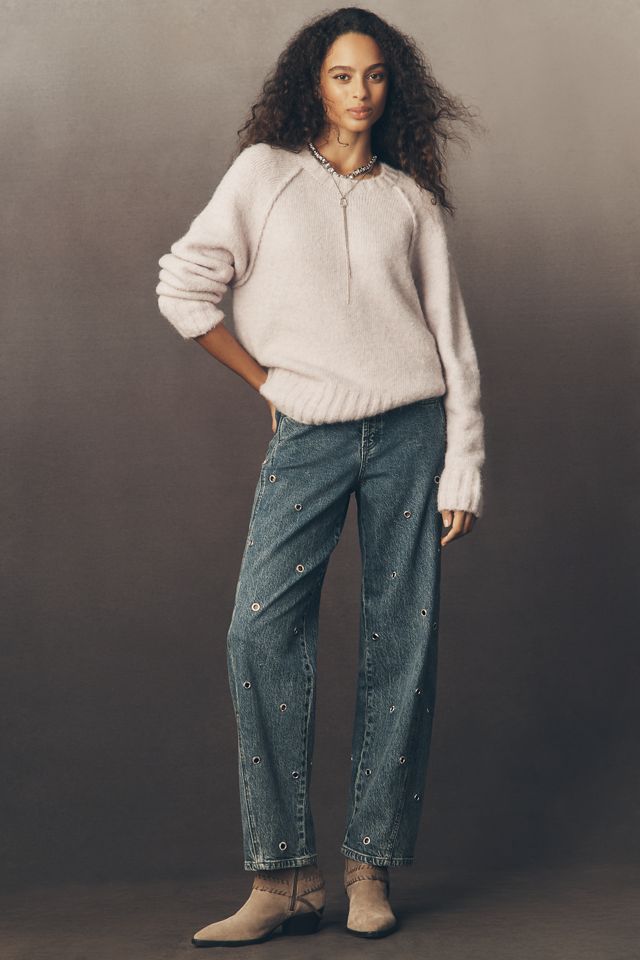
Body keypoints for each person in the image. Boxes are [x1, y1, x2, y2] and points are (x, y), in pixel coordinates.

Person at [156, 6, 485, 947]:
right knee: (259, 631)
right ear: (314, 83)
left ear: (393, 86)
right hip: (311, 434)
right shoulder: (263, 175)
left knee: (400, 639)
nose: (360, 92)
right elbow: (184, 286)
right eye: (343, 75)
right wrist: (269, 382)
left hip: (413, 431)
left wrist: (463, 463)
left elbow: (453, 341)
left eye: (375, 75)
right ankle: (284, 877)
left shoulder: (411, 199)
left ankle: (368, 867)